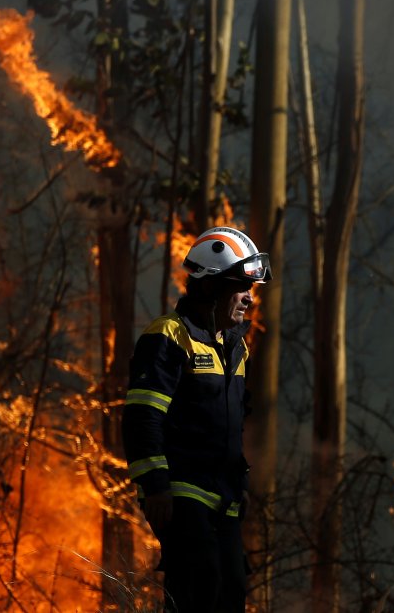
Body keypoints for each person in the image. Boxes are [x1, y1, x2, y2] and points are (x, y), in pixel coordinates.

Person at [122, 226, 271, 612]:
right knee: (200, 584)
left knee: (231, 593)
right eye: (240, 286)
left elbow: (234, 422)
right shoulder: (168, 337)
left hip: (225, 497)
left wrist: (241, 484)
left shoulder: (235, 347)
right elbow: (142, 415)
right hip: (180, 491)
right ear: (210, 287)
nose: (248, 298)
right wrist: (155, 484)